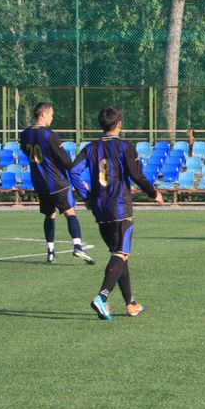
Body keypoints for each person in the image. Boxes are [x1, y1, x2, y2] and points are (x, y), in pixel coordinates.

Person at [72, 107, 164, 320]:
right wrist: (154, 193)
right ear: (120, 124)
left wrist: (86, 196)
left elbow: (74, 171)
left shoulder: (90, 148)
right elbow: (137, 176)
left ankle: (130, 303)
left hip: (100, 208)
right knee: (121, 254)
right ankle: (102, 297)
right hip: (120, 207)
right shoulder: (125, 147)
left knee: (120, 255)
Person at [19, 102, 94, 265]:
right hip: (56, 181)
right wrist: (79, 181)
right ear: (43, 114)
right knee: (70, 213)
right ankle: (77, 247)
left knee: (50, 215)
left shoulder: (25, 134)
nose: (52, 118)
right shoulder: (49, 135)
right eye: (51, 114)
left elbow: (25, 151)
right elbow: (66, 160)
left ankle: (50, 252)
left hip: (40, 183)